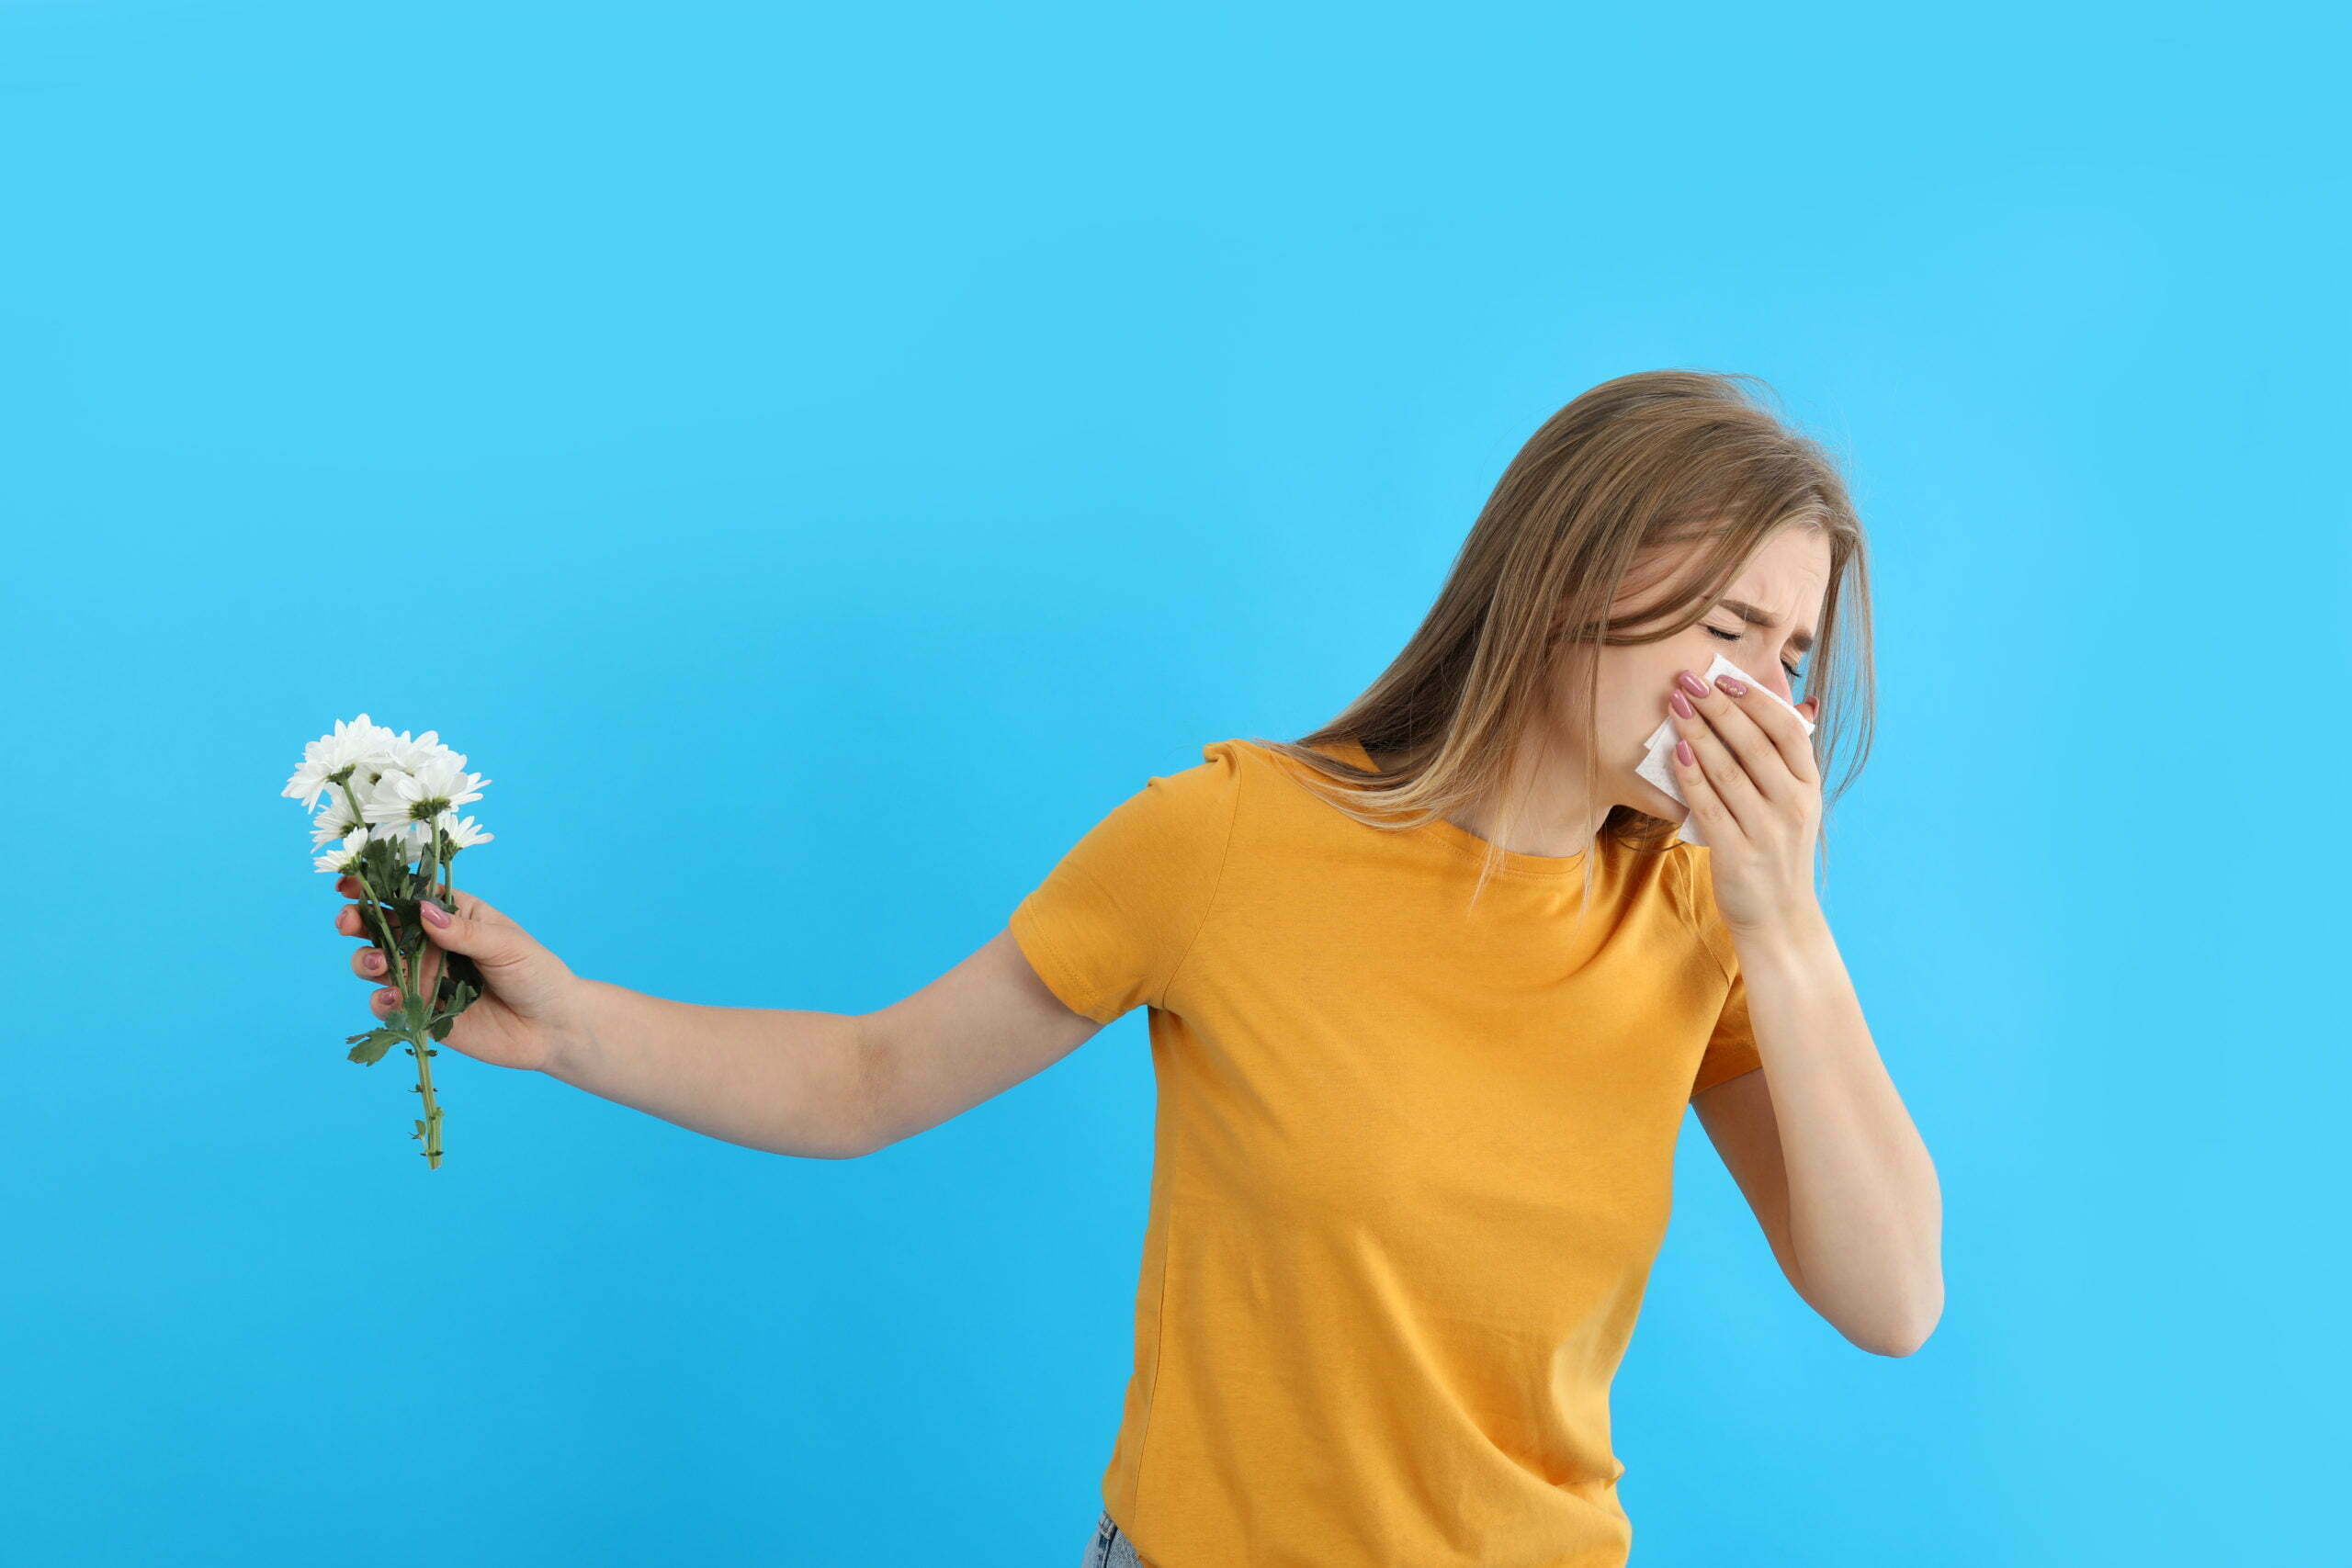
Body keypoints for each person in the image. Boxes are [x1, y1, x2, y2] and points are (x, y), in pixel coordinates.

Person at [333, 368, 1942, 1568]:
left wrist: (1787, 929)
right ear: (1570, 576)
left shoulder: (1705, 926)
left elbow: (1892, 1302)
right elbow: (867, 1081)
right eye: (1729, 627)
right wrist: (574, 1029)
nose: (1767, 700)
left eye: (1794, 657)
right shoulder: (1233, 841)